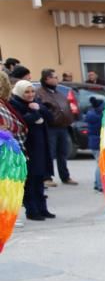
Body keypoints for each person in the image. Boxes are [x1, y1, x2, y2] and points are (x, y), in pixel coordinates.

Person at [9, 80, 54, 220]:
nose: (30, 95)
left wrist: (39, 109)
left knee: (40, 178)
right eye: (26, 92)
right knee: (30, 181)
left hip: (40, 146)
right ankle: (32, 210)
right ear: (19, 92)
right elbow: (20, 122)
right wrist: (35, 114)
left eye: (32, 91)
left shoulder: (36, 103)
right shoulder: (14, 104)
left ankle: (42, 208)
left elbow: (50, 117)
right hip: (27, 147)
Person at [35, 69, 77, 186]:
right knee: (49, 153)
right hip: (50, 127)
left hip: (63, 127)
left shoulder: (58, 92)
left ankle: (65, 176)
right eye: (55, 77)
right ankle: (47, 177)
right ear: (47, 79)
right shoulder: (40, 93)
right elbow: (41, 109)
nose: (57, 79)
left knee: (62, 153)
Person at [85, 97, 104, 192]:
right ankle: (100, 185)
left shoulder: (90, 114)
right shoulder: (100, 117)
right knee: (101, 165)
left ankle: (97, 184)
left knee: (99, 164)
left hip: (94, 143)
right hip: (99, 143)